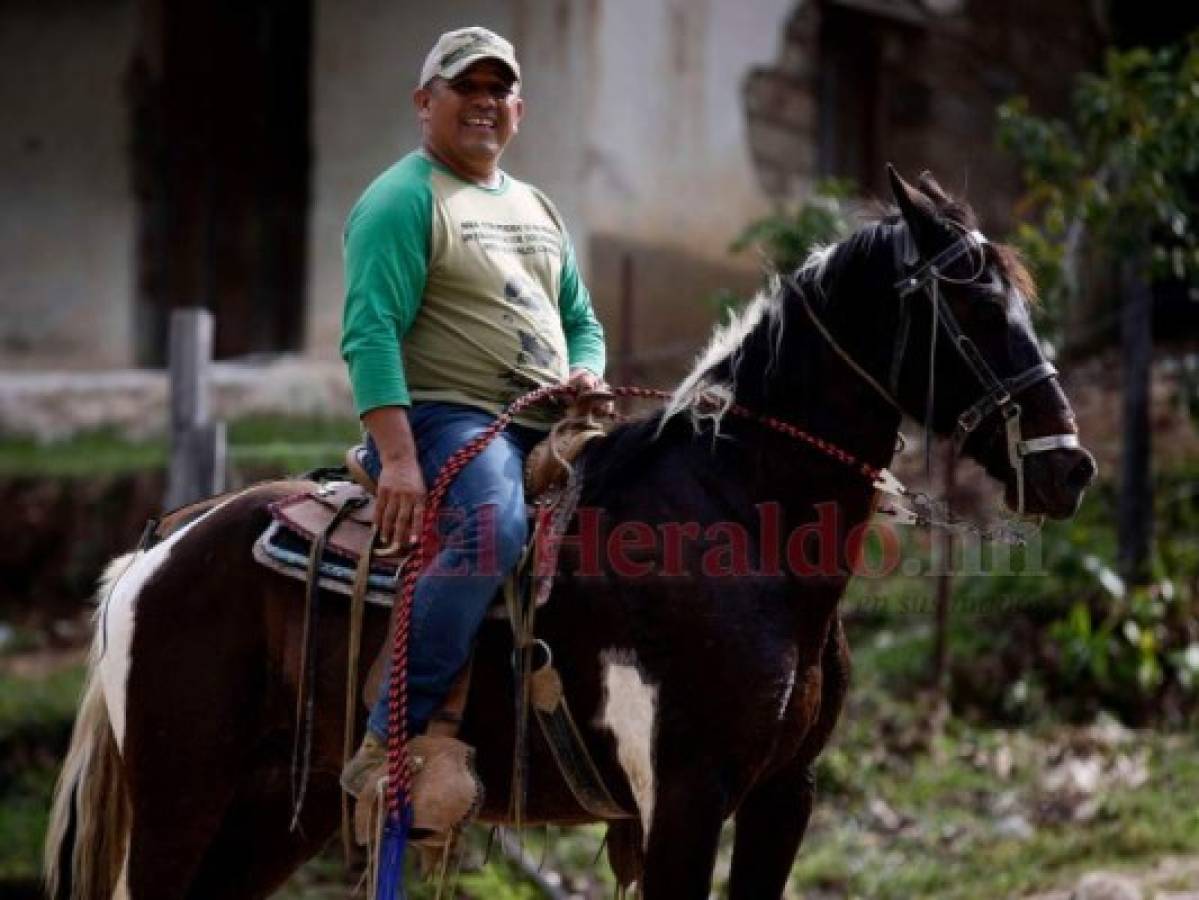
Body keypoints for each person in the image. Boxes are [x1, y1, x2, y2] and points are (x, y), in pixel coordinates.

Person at [338, 26, 607, 795]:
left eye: (499, 89)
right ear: (426, 103)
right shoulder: (401, 199)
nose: (485, 102)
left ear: (518, 108)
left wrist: (586, 370)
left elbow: (580, 318)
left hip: (551, 417)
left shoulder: (536, 204)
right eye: (466, 87)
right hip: (455, 416)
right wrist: (397, 458)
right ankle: (391, 735)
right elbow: (370, 332)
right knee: (494, 526)